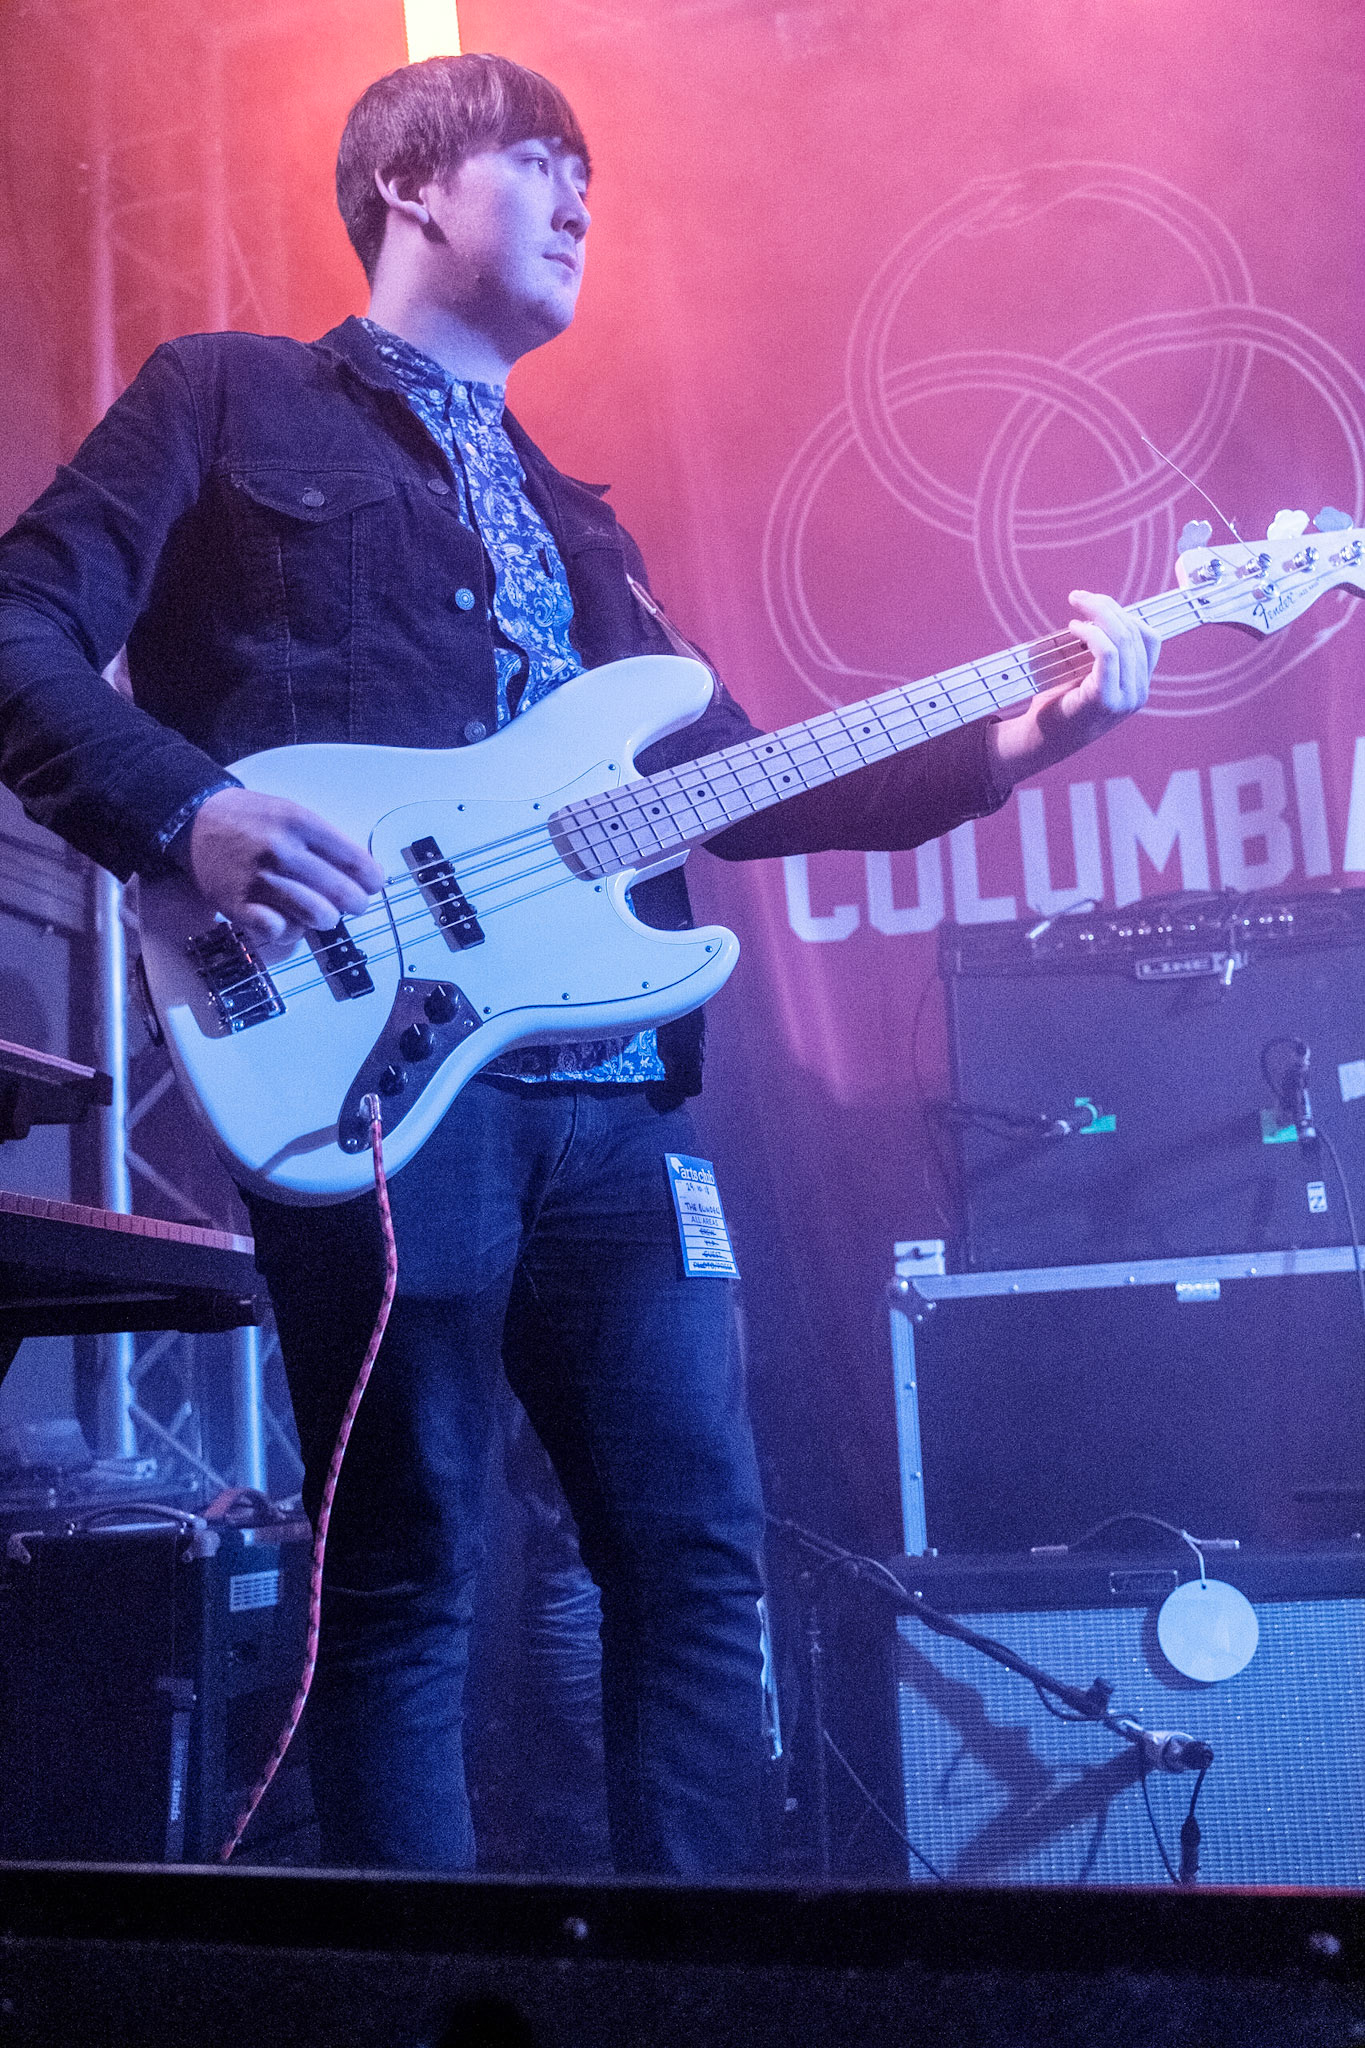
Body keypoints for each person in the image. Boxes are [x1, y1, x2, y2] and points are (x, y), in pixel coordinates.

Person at [0, 53, 1159, 1875]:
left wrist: (1029, 737)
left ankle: (686, 1981)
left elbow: (749, 786)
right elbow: (18, 628)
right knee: (410, 1573)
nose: (582, 203)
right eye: (544, 162)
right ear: (409, 185)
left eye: (589, 179)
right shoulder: (225, 397)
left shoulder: (582, 522)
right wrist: (190, 812)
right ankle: (428, 1991)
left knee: (695, 1558)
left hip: (621, 1109)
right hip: (381, 1070)